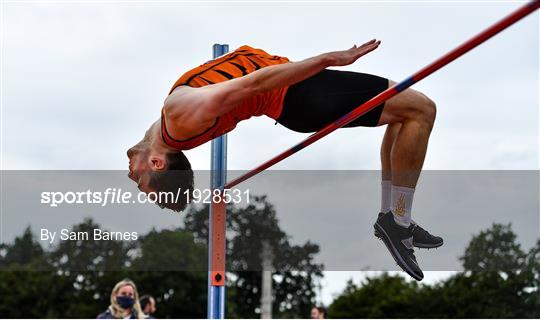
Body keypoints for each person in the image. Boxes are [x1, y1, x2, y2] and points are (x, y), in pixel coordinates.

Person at [127, 41, 443, 281]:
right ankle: (397, 221)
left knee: (405, 115)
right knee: (421, 110)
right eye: (140, 182)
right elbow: (253, 84)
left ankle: (394, 218)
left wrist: (167, 189)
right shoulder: (179, 117)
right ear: (156, 164)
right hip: (299, 95)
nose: (131, 177)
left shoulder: (164, 129)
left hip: (298, 93)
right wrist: (328, 59)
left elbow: (151, 152)